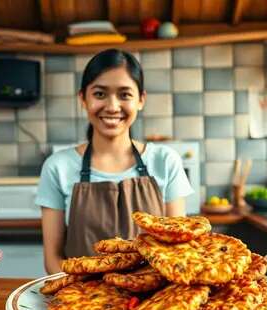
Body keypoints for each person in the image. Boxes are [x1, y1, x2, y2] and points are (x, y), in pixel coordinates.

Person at [35, 49, 193, 274]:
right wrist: (83, 299)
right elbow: (53, 259)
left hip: (154, 301)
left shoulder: (165, 161)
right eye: (99, 94)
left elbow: (178, 252)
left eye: (124, 94)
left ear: (141, 100)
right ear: (83, 98)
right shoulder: (57, 167)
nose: (112, 106)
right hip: (82, 300)